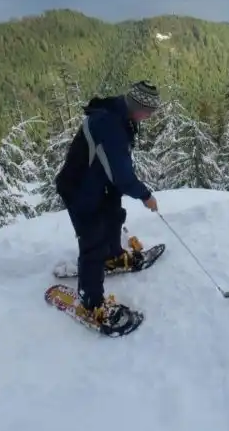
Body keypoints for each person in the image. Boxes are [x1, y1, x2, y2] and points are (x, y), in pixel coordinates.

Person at [55, 80, 161, 322]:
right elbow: (121, 175)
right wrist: (145, 195)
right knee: (93, 241)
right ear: (138, 107)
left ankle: (112, 256)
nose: (150, 117)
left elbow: (115, 167)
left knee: (113, 216)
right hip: (79, 188)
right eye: (149, 112)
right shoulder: (109, 124)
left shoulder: (121, 114)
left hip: (99, 184)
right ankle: (91, 303)